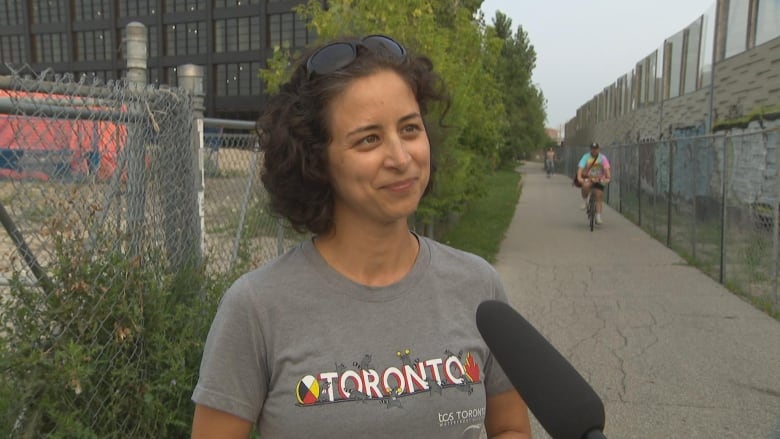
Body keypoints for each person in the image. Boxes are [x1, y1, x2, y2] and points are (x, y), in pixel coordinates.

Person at [190, 34, 532, 439]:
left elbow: (510, 427)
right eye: (369, 139)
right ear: (315, 159)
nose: (401, 158)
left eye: (409, 129)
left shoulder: (480, 288)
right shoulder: (257, 308)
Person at [576, 142, 611, 225]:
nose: (594, 151)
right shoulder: (586, 157)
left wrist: (607, 178)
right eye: (592, 149)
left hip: (599, 179)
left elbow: (607, 170)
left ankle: (598, 216)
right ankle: (585, 201)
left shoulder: (603, 158)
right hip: (589, 178)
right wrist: (579, 177)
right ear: (590, 149)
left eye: (596, 149)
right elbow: (580, 168)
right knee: (585, 186)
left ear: (598, 149)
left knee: (599, 195)